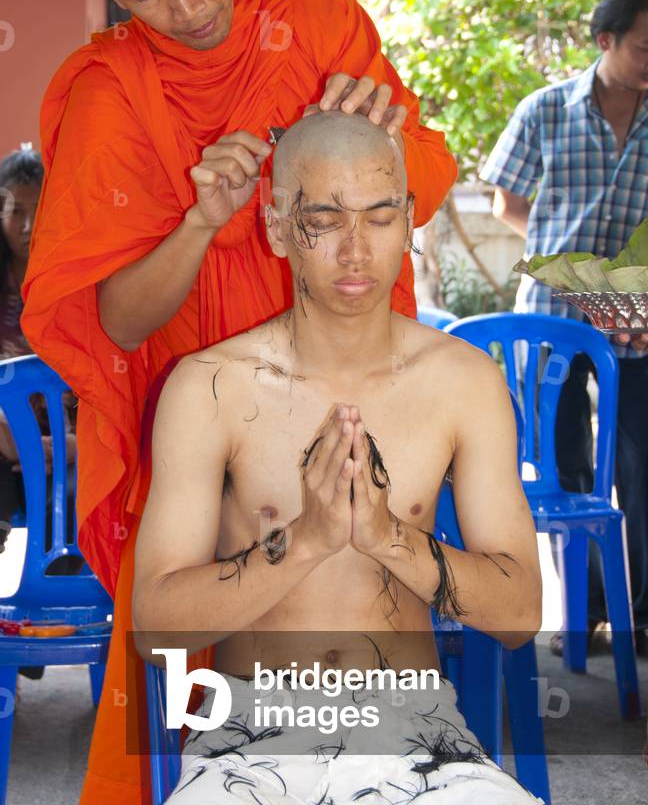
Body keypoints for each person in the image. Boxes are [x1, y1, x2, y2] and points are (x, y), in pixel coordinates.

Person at [18, 0, 458, 802]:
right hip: (204, 424)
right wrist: (200, 223)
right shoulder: (109, 94)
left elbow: (420, 179)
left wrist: (377, 144)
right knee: (208, 675)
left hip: (350, 390)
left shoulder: (310, 15)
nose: (187, 7)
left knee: (363, 646)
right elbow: (121, 325)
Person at [132, 111, 542, 804]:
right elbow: (155, 629)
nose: (356, 250)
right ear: (276, 226)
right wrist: (304, 543)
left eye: (381, 218)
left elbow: (520, 615)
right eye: (323, 218)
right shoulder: (210, 386)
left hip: (417, 733)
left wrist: (388, 537)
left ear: (410, 218)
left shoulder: (464, 382)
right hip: (249, 735)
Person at [479, 0, 648, 656]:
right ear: (606, 41)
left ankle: (639, 616)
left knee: (638, 467)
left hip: (637, 318)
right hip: (551, 317)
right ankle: (588, 615)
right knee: (566, 470)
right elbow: (507, 203)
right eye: (642, 47)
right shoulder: (544, 110)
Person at [0, 149, 80, 644]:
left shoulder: (79, 284)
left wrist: (76, 443)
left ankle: (43, 634)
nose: (30, 225)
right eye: (16, 211)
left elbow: (102, 383)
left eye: (42, 210)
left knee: (87, 519)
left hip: (66, 460)